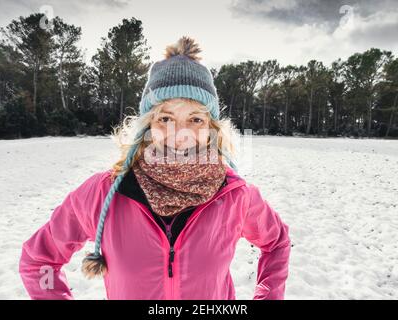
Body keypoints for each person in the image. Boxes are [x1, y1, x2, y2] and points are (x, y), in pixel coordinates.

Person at [19, 36, 291, 300]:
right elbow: (39, 259)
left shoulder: (235, 195)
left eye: (195, 119)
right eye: (165, 118)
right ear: (147, 125)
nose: (180, 133)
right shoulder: (104, 193)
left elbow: (276, 244)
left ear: (212, 129)